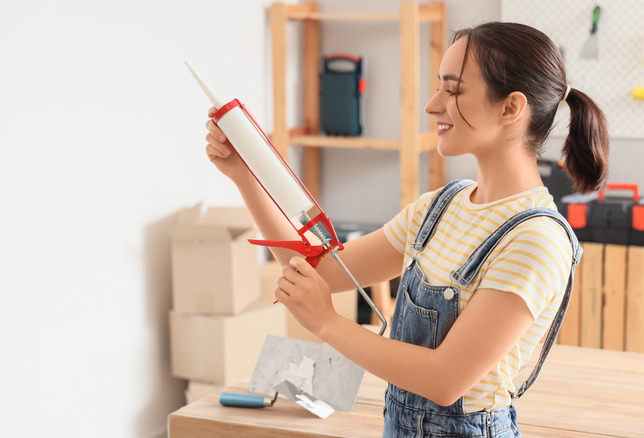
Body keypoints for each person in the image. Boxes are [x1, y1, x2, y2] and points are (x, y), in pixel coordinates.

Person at [204, 21, 608, 438]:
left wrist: (327, 322)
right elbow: (320, 271)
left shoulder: (535, 240)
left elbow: (445, 380)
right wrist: (245, 176)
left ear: (510, 108)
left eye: (453, 91)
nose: (432, 106)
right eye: (439, 88)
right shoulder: (440, 207)